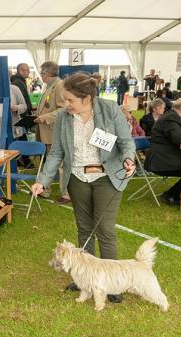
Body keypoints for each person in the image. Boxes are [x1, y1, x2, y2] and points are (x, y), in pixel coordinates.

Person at [31, 72, 136, 303]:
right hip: (77, 177)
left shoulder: (110, 110)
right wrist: (43, 180)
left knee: (105, 230)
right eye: (65, 99)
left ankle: (112, 283)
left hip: (106, 177)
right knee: (84, 229)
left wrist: (129, 159)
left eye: (70, 100)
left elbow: (126, 142)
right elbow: (57, 152)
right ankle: (85, 278)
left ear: (87, 99)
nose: (66, 104)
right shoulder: (64, 118)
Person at [145, 98, 181, 206]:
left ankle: (178, 195)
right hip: (162, 161)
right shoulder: (170, 119)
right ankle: (172, 195)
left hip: (172, 157)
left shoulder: (180, 119)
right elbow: (180, 139)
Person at [34, 61, 69, 203]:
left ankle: (67, 193)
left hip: (54, 130)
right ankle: (45, 190)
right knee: (49, 162)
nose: (41, 76)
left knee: (59, 163)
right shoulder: (50, 85)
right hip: (48, 131)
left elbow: (63, 108)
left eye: (42, 73)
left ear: (47, 73)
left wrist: (45, 118)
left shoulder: (59, 85)